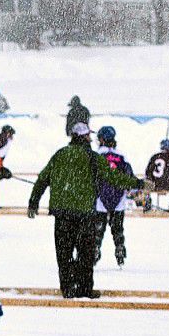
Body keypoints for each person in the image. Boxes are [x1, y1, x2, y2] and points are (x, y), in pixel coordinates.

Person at [29, 124, 106, 299]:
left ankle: (68, 288)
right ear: (85, 137)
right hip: (85, 215)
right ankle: (85, 289)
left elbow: (43, 179)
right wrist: (138, 184)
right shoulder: (92, 157)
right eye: (88, 136)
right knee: (85, 254)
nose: (90, 139)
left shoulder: (60, 154)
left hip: (62, 214)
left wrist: (34, 201)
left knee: (64, 254)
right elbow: (112, 177)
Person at [94, 125, 140, 269]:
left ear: (101, 139)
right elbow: (129, 176)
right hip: (119, 198)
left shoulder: (96, 156)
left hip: (99, 199)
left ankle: (94, 250)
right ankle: (120, 249)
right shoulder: (122, 157)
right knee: (117, 228)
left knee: (97, 229)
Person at [141, 138, 169, 214]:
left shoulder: (154, 156)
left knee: (144, 182)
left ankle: (147, 202)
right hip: (168, 185)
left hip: (153, 185)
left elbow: (148, 172)